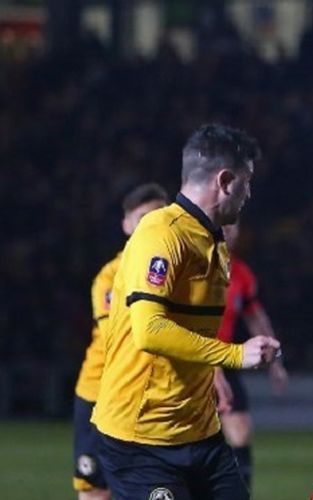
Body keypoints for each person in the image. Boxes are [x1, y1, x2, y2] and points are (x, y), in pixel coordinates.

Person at [91, 124, 280, 500]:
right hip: (141, 437)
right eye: (246, 182)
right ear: (225, 181)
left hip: (199, 433)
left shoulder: (215, 244)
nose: (249, 194)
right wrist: (234, 355)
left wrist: (211, 371)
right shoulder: (161, 233)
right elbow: (150, 330)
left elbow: (190, 330)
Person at [72, 183, 169, 500]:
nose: (149, 223)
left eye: (157, 215)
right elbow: (123, 335)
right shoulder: (110, 276)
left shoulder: (178, 273)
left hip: (152, 399)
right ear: (126, 224)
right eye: (141, 217)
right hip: (101, 393)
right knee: (96, 491)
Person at [216, 222, 289, 492]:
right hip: (191, 360)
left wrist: (276, 362)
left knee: (241, 431)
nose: (229, 232)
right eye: (224, 226)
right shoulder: (193, 263)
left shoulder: (241, 274)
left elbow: (255, 317)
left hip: (224, 360)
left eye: (234, 227)